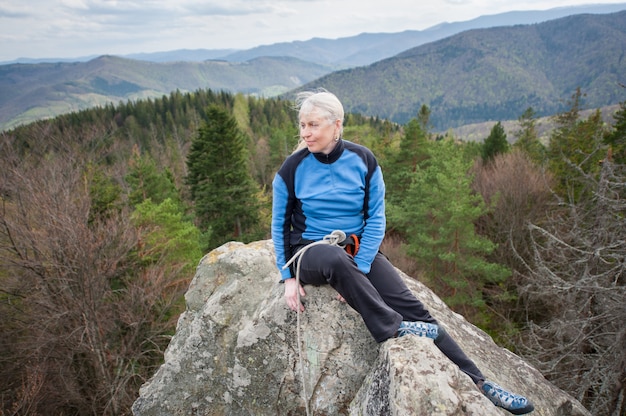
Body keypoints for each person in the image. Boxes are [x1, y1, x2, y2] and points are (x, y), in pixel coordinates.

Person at [271, 88, 534, 415]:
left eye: (312, 125)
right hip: (309, 252)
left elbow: (377, 217)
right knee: (336, 260)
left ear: (336, 125)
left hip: (355, 251)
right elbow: (279, 225)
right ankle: (390, 327)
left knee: (416, 310)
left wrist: (363, 265)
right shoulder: (292, 168)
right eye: (302, 125)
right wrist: (287, 278)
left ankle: (482, 384)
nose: (305, 132)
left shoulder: (363, 160)